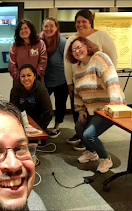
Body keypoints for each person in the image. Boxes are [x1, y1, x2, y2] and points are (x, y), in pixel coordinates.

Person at [65, 37, 125, 173]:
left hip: (108, 107)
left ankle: (105, 158)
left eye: (79, 47)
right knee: (79, 127)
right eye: (73, 50)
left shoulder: (99, 58)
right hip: (92, 110)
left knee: (88, 135)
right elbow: (78, 92)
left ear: (87, 46)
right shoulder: (79, 68)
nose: (76, 51)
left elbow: (111, 79)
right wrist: (80, 110)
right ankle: (91, 152)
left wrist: (115, 102)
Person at [64, 9, 118, 150]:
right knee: (80, 115)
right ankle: (83, 136)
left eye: (84, 21)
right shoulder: (71, 39)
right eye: (78, 22)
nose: (80, 24)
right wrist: (70, 83)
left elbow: (112, 59)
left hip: (99, 88)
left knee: (93, 121)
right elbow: (67, 63)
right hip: (80, 86)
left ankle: (89, 139)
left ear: (90, 22)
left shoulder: (101, 36)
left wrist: (109, 82)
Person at [39, 17, 68, 138]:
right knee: (42, 104)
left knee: (60, 104)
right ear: (42, 28)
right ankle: (41, 126)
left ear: (56, 28)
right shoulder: (39, 41)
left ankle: (57, 127)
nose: (48, 29)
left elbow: (69, 62)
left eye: (51, 26)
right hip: (45, 80)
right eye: (46, 26)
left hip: (62, 80)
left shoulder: (62, 42)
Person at [10, 64, 53, 133]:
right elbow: (13, 109)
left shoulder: (41, 89)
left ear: (34, 76)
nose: (26, 78)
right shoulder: (16, 89)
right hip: (22, 122)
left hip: (38, 122)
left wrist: (41, 127)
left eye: (29, 75)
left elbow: (48, 112)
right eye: (23, 76)